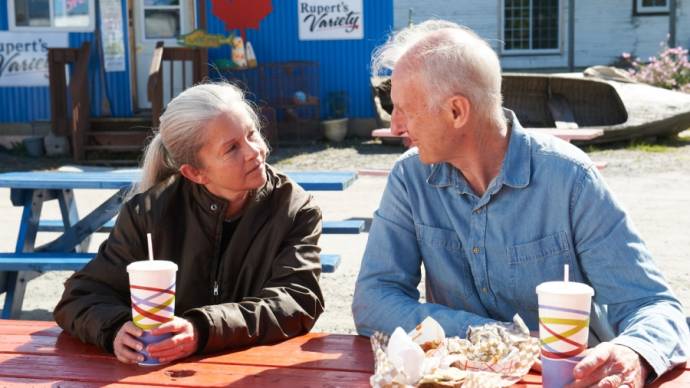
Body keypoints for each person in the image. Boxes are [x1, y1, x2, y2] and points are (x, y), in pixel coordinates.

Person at [352, 20, 689, 387]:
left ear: (457, 112)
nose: (395, 125)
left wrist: (634, 353)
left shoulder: (569, 178)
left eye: (405, 110)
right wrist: (498, 337)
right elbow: (373, 301)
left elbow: (653, 306)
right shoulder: (410, 178)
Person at [55, 83, 325, 364]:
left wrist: (202, 329)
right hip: (159, 375)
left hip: (253, 372)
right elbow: (79, 297)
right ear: (195, 173)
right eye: (232, 148)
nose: (253, 151)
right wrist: (115, 329)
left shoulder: (294, 208)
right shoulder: (148, 212)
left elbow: (298, 301)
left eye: (251, 134)